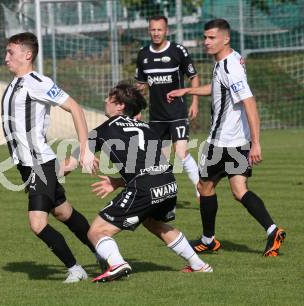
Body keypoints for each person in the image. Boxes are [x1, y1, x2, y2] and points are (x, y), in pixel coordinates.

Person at [61, 83, 213, 283]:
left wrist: (42, 177)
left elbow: (68, 165)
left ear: (120, 106)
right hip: (168, 182)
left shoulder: (104, 130)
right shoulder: (146, 127)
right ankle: (199, 265)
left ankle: (117, 263)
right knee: (154, 223)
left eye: (110, 98)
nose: (105, 101)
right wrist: (118, 181)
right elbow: (153, 164)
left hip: (145, 187)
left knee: (97, 231)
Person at [167, 19, 286, 256]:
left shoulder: (230, 67)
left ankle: (208, 240)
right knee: (239, 190)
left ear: (225, 38)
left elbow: (249, 103)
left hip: (221, 142)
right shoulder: (229, 61)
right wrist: (188, 90)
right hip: (237, 141)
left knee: (205, 186)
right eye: (205, 37)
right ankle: (272, 229)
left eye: (211, 38)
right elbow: (218, 88)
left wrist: (257, 142)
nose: (206, 42)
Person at [2, 32, 100, 283]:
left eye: (10, 53)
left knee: (37, 223)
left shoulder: (38, 82)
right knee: (64, 213)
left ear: (27, 55)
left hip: (39, 164)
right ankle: (103, 252)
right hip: (26, 166)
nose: (6, 58)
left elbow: (75, 108)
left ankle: (75, 269)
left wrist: (85, 149)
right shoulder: (14, 84)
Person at [135, 15, 200, 200]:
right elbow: (141, 86)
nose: (156, 33)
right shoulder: (143, 55)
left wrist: (194, 101)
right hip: (156, 117)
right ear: (149, 31)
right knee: (160, 159)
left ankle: (199, 187)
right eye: (153, 30)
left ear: (166, 31)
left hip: (177, 113)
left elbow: (193, 76)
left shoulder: (178, 51)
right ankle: (164, 195)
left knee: (181, 152)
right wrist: (137, 110)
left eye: (159, 29)